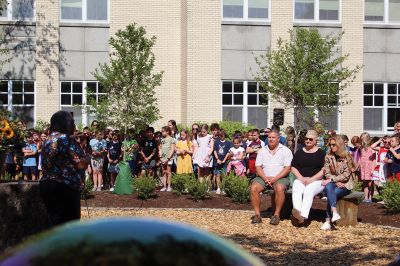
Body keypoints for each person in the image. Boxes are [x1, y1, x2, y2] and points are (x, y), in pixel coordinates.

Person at [40, 111, 89, 227]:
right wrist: (88, 157)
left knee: (53, 222)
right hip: (65, 187)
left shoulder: (47, 140)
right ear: (64, 123)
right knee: (69, 225)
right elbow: (80, 164)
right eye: (72, 123)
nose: (74, 126)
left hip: (47, 185)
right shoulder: (66, 139)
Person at [250, 130, 293, 225]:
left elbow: (287, 169)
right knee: (254, 188)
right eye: (269, 137)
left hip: (280, 177)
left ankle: (276, 215)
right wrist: (265, 178)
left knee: (279, 188)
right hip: (264, 177)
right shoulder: (262, 150)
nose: (271, 139)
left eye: (273, 137)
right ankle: (257, 215)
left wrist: (275, 178)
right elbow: (258, 167)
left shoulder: (286, 151)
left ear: (278, 139)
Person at [291, 130, 325, 224]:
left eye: (310, 139)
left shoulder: (321, 153)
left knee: (308, 191)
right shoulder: (299, 152)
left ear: (315, 140)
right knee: (296, 187)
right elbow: (293, 167)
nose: (308, 141)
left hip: (317, 181)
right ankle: (297, 212)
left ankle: (303, 216)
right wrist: (301, 178)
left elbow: (324, 170)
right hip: (301, 179)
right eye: (306, 138)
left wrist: (312, 179)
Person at [320, 135, 354, 230]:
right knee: (329, 188)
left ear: (340, 145)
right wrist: (334, 181)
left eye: (334, 145)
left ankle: (327, 221)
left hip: (345, 184)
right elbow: (327, 172)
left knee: (332, 193)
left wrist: (332, 180)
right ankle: (334, 212)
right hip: (333, 183)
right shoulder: (328, 156)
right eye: (330, 145)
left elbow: (346, 175)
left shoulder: (347, 157)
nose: (331, 147)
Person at [213, 129, 232, 194]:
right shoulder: (216, 142)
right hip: (217, 162)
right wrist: (217, 159)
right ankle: (218, 188)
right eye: (220, 135)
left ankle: (223, 188)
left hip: (224, 162)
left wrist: (224, 160)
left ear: (225, 135)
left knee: (224, 175)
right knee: (217, 175)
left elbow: (228, 153)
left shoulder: (228, 143)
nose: (221, 137)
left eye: (222, 135)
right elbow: (215, 151)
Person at [358, 132, 375, 203]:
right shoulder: (361, 148)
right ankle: (365, 197)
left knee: (370, 183)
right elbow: (360, 158)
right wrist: (358, 166)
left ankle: (370, 197)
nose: (362, 141)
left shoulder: (371, 148)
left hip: (369, 167)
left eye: (363, 139)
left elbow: (374, 159)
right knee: (365, 183)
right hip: (363, 167)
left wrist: (373, 169)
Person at [160, 126, 176, 191]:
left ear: (167, 132)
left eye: (163, 131)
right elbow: (160, 148)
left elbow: (172, 150)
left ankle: (169, 186)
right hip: (163, 159)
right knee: (163, 172)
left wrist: (168, 158)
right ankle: (164, 186)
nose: (162, 132)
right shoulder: (162, 139)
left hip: (169, 159)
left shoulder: (172, 139)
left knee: (168, 172)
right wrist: (161, 157)